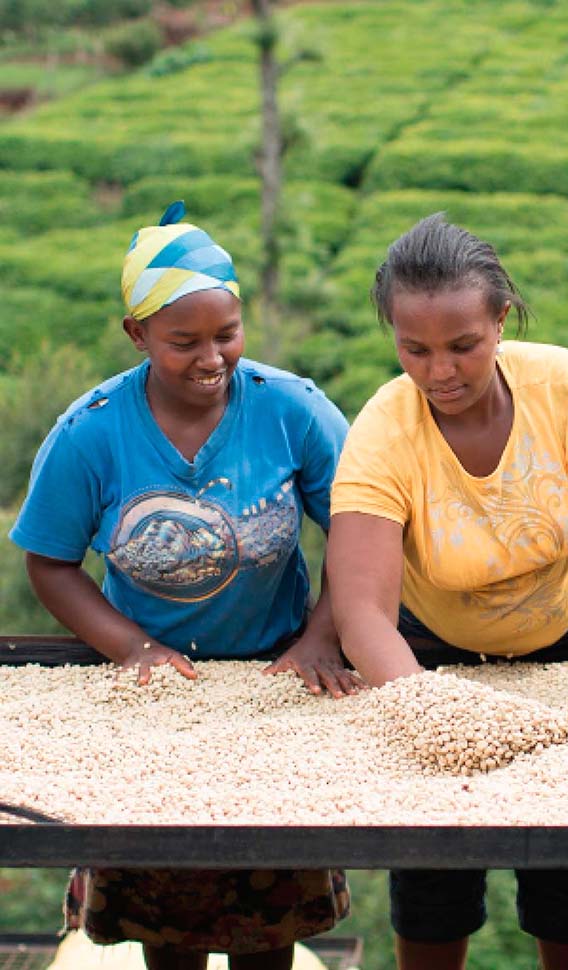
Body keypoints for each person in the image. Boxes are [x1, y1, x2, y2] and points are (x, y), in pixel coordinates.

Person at [327, 213, 568, 970]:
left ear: (500, 321)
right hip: (433, 649)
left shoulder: (565, 386)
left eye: (462, 347)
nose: (439, 371)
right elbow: (362, 609)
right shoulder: (385, 426)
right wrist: (431, 711)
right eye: (414, 350)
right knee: (434, 845)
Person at [9, 202, 358, 969]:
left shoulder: (291, 411)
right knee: (165, 924)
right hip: (154, 699)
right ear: (136, 335)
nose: (212, 357)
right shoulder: (91, 432)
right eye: (183, 342)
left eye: (226, 334)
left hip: (275, 685)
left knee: (270, 924)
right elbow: (50, 561)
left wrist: (321, 638)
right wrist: (131, 649)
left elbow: (362, 532)